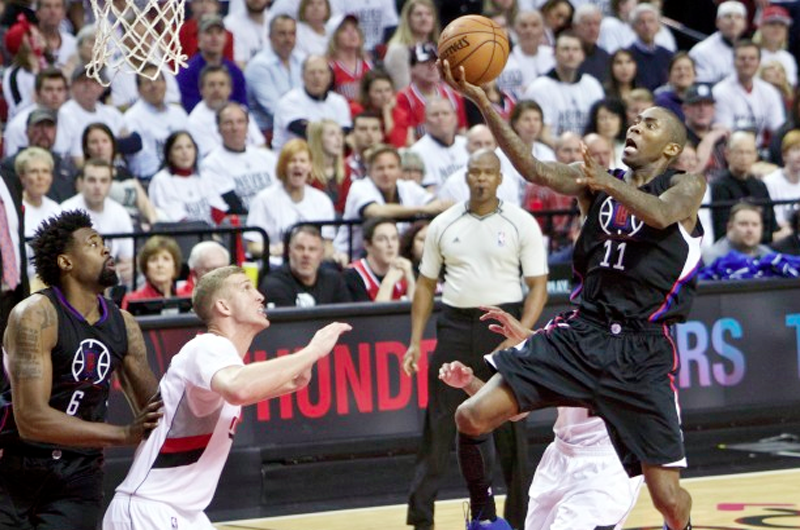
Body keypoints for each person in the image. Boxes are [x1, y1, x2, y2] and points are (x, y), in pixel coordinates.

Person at [440, 56, 704, 530]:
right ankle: (484, 518)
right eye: (635, 121)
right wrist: (484, 103)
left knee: (668, 496)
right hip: (582, 333)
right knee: (470, 416)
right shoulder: (596, 184)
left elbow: (661, 216)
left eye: (649, 124)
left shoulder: (686, 184)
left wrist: (605, 182)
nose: (636, 127)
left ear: (669, 149)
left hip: (642, 351)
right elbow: (532, 167)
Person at [102, 265, 351, 530]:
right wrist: (311, 351)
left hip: (184, 513)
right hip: (149, 508)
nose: (260, 296)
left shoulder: (222, 359)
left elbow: (287, 381)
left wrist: (298, 374)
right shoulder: (208, 346)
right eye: (246, 288)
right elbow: (238, 388)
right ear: (223, 306)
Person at [402, 148, 549, 530]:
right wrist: (415, 341)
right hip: (453, 324)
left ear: (500, 178)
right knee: (439, 423)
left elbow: (538, 286)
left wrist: (520, 333)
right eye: (474, 172)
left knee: (511, 426)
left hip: (503, 322)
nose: (481, 178)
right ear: (465, 176)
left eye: (488, 173)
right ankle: (421, 519)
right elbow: (425, 285)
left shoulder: (521, 222)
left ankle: (518, 520)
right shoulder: (443, 223)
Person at [0, 209, 162, 529]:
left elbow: (154, 410)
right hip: (14, 468)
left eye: (103, 242)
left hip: (79, 475)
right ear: (66, 262)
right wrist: (122, 434)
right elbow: (31, 418)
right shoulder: (35, 315)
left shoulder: (124, 324)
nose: (105, 249)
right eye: (93, 243)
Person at [440, 306, 643, 530]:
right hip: (559, 460)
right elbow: (518, 412)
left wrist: (534, 339)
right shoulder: (563, 328)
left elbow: (587, 362)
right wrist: (469, 383)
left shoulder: (638, 339)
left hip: (606, 467)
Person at [60, 159, 136, 284]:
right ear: (81, 183)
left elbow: (127, 258)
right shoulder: (66, 211)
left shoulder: (120, 212)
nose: (97, 186)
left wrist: (128, 268)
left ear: (111, 184)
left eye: (103, 180)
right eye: (92, 180)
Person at [523, 31, 605, 146]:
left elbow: (602, 127)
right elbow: (541, 134)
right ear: (554, 53)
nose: (571, 54)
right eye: (565, 49)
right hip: (550, 153)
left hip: (588, 152)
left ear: (582, 55)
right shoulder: (539, 88)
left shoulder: (592, 85)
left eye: (575, 49)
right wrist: (569, 151)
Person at [271, 55, 353, 151]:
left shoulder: (339, 102)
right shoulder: (289, 100)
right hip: (293, 160)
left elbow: (345, 131)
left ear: (329, 77)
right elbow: (305, 131)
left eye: (321, 72)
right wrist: (333, 133)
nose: (317, 77)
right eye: (311, 72)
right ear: (302, 76)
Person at [259, 224, 352, 307]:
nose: (306, 254)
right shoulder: (274, 284)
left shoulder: (334, 281)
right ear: (289, 251)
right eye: (300, 248)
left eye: (312, 249)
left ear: (322, 254)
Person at [344, 217, 416, 302]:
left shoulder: (405, 270)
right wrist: (388, 283)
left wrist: (411, 282)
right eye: (382, 239)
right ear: (367, 245)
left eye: (394, 238)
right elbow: (373, 314)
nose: (390, 245)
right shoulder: (351, 276)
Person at [383, 0, 439, 90]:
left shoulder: (435, 47)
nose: (424, 19)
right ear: (408, 19)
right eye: (418, 14)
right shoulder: (398, 50)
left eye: (429, 14)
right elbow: (402, 89)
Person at [689, 1, 747, 84]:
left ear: (745, 24)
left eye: (738, 17)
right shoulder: (702, 51)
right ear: (717, 22)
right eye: (728, 16)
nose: (733, 21)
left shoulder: (749, 51)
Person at [121, 235, 184, 309]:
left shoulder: (186, 298)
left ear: (175, 267)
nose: (160, 265)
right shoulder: (132, 300)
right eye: (153, 260)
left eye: (166, 259)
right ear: (146, 268)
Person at [702, 202, 773, 265]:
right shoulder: (712, 258)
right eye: (743, 224)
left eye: (755, 224)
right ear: (729, 227)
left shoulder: (770, 256)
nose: (750, 230)